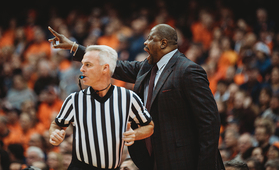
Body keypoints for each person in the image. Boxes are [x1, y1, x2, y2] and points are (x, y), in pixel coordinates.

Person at [48, 24, 224, 170]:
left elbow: (209, 121)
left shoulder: (188, 71)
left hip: (182, 159)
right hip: (151, 157)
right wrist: (73, 47)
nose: (145, 43)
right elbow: (112, 66)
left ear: (163, 43)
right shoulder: (147, 67)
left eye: (150, 39)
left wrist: (206, 166)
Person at [49, 45, 154, 170]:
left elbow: (149, 126)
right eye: (82, 64)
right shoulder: (74, 99)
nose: (82, 69)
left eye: (88, 65)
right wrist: (54, 134)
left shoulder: (128, 97)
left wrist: (135, 134)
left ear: (105, 68)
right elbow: (56, 125)